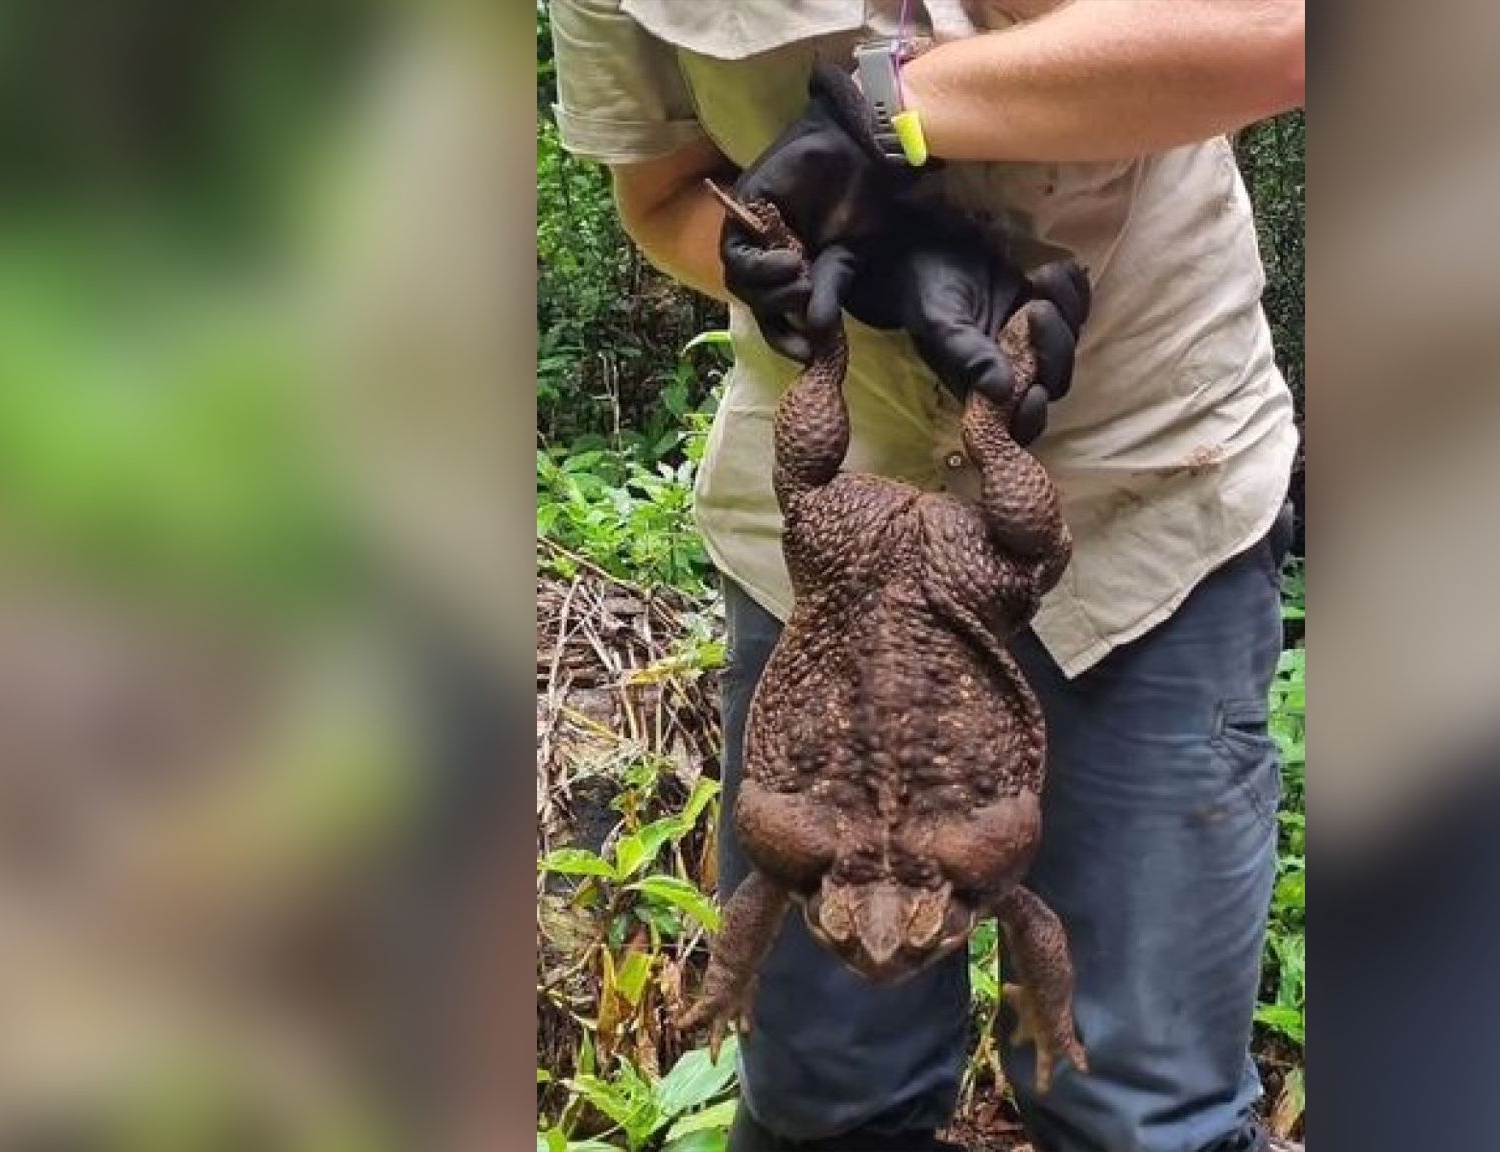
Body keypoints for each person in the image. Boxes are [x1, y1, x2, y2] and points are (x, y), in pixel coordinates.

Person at [549, 2, 1305, 1150]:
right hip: (824, 528)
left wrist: (885, 112)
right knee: (822, 1101)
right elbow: (663, 196)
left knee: (1139, 1105)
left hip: (1143, 483)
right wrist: (791, 266)